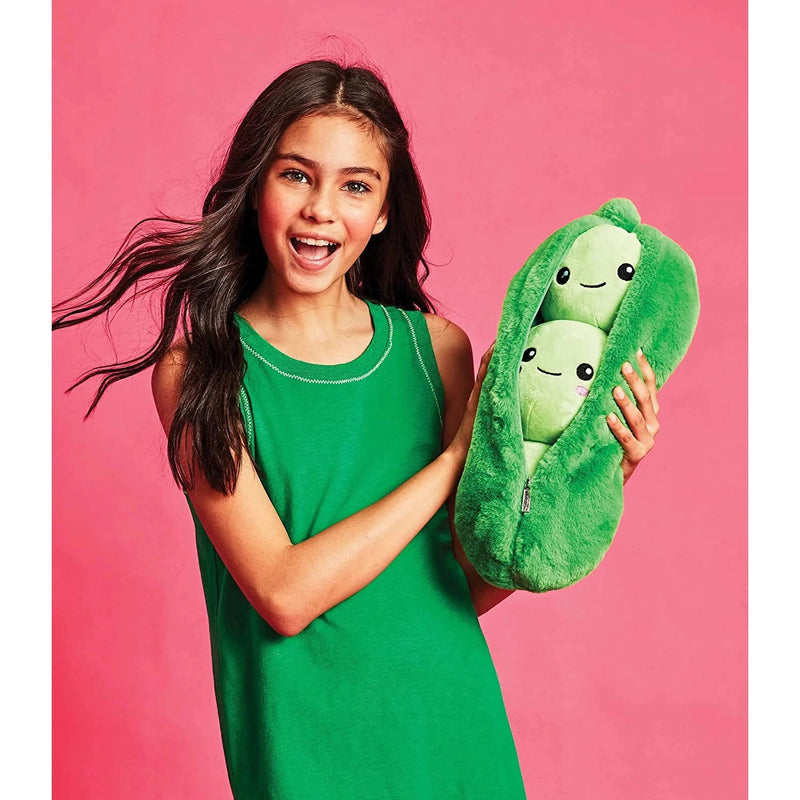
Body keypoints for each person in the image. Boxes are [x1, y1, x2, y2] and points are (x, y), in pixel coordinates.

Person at [53, 59, 660, 800]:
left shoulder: (437, 352)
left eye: (356, 186)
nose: (321, 210)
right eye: (296, 176)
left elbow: (458, 587)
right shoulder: (199, 372)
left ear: (382, 214)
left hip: (454, 741)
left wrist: (593, 480)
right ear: (256, 188)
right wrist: (454, 460)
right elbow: (282, 594)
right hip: (307, 761)